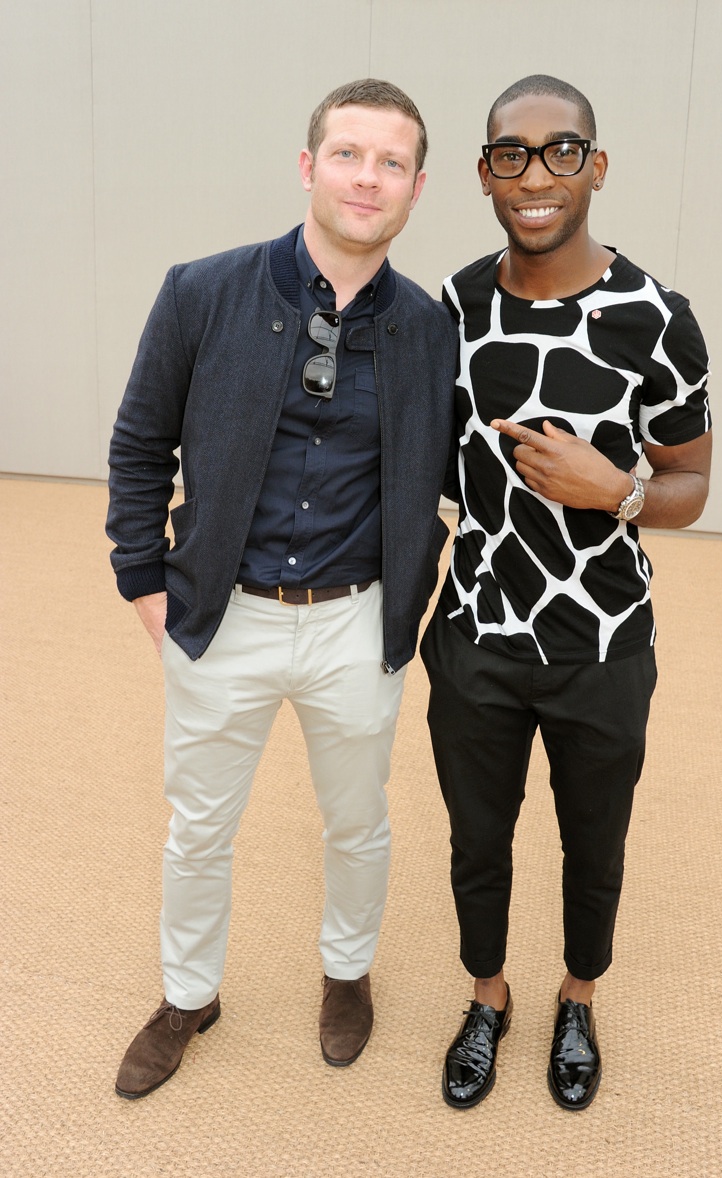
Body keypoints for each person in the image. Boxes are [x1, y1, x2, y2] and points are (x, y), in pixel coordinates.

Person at [106, 78, 456, 1099]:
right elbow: (138, 445)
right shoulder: (200, 291)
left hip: (356, 623)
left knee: (358, 821)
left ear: (415, 188)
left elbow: (450, 478)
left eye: (390, 163)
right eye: (348, 155)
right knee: (199, 824)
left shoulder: (430, 333)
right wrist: (143, 580)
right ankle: (187, 993)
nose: (367, 178)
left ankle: (345, 973)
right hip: (220, 619)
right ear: (308, 167)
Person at [422, 74, 712, 1112]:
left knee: (593, 842)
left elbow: (689, 482)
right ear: (484, 173)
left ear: (594, 166)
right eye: (510, 153)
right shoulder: (450, 307)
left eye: (558, 151)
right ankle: (487, 995)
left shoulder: (653, 317)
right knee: (475, 839)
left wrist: (620, 488)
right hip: (474, 638)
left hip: (602, 646)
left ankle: (576, 995)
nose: (533, 174)